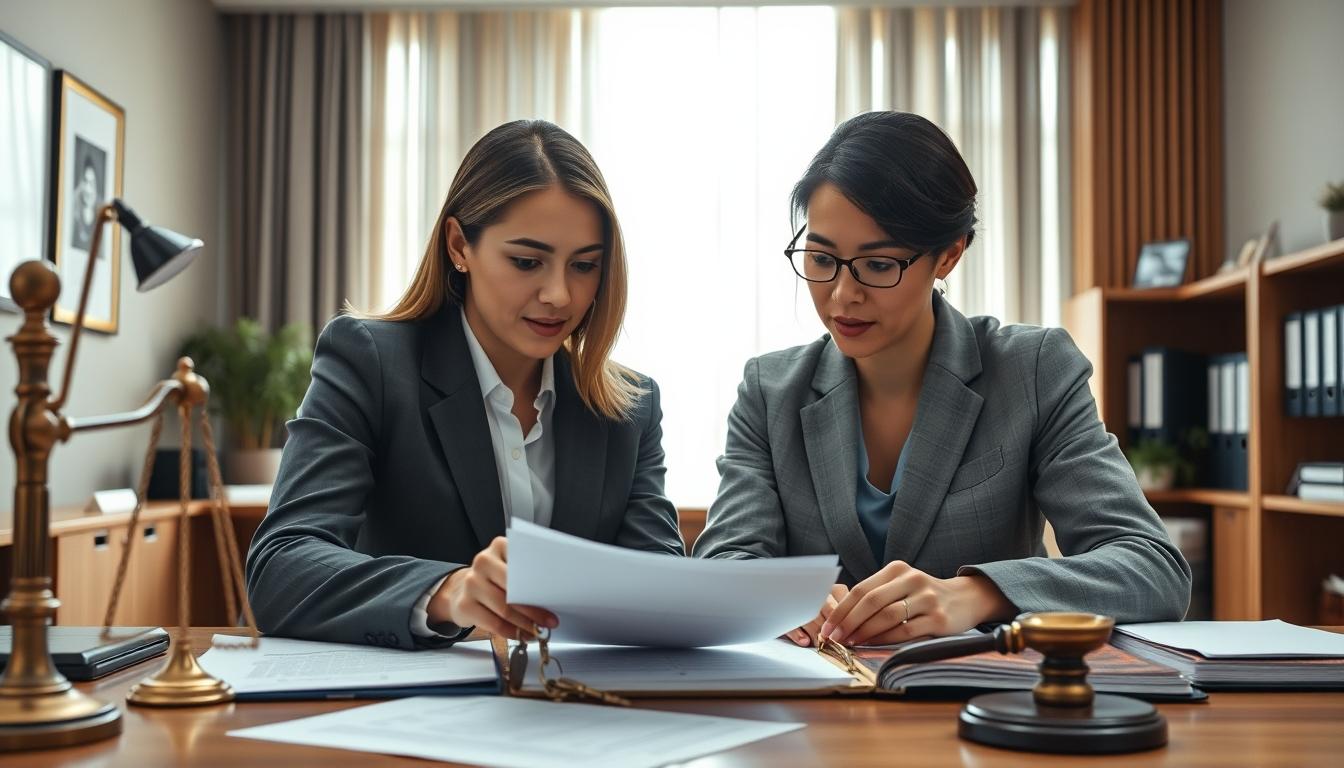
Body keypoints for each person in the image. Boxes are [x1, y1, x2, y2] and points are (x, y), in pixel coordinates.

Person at [694, 111, 1190, 648]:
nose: (842, 295)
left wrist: (977, 594)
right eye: (821, 258)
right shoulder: (770, 391)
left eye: (878, 265)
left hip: (981, 704)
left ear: (949, 254)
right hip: (817, 709)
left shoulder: (1032, 369)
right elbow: (723, 562)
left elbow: (1152, 568)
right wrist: (776, 593)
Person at [247, 120, 683, 648]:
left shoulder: (629, 408)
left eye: (585, 266)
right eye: (527, 261)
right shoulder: (370, 361)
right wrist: (446, 592)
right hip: (405, 715)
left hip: (578, 712)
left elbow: (661, 592)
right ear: (459, 245)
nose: (559, 295)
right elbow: (281, 567)